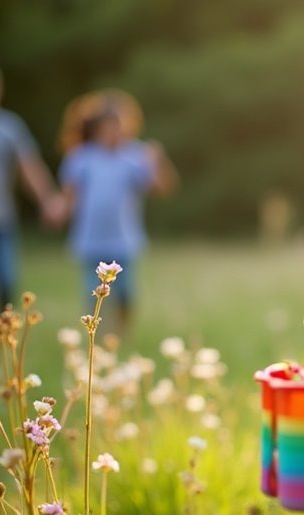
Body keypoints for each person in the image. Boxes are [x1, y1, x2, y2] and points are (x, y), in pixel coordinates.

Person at [55, 89, 178, 335]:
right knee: (93, 292)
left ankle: (122, 334)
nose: (115, 131)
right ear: (97, 128)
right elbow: (69, 195)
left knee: (126, 294)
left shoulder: (135, 156)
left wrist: (157, 160)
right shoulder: (81, 158)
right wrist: (58, 212)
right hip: (91, 239)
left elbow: (161, 188)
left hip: (124, 239)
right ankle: (94, 335)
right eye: (109, 126)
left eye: (120, 125)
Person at [0, 57, 59, 349]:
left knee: (5, 280)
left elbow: (29, 167)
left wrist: (48, 199)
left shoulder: (8, 127)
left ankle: (3, 337)